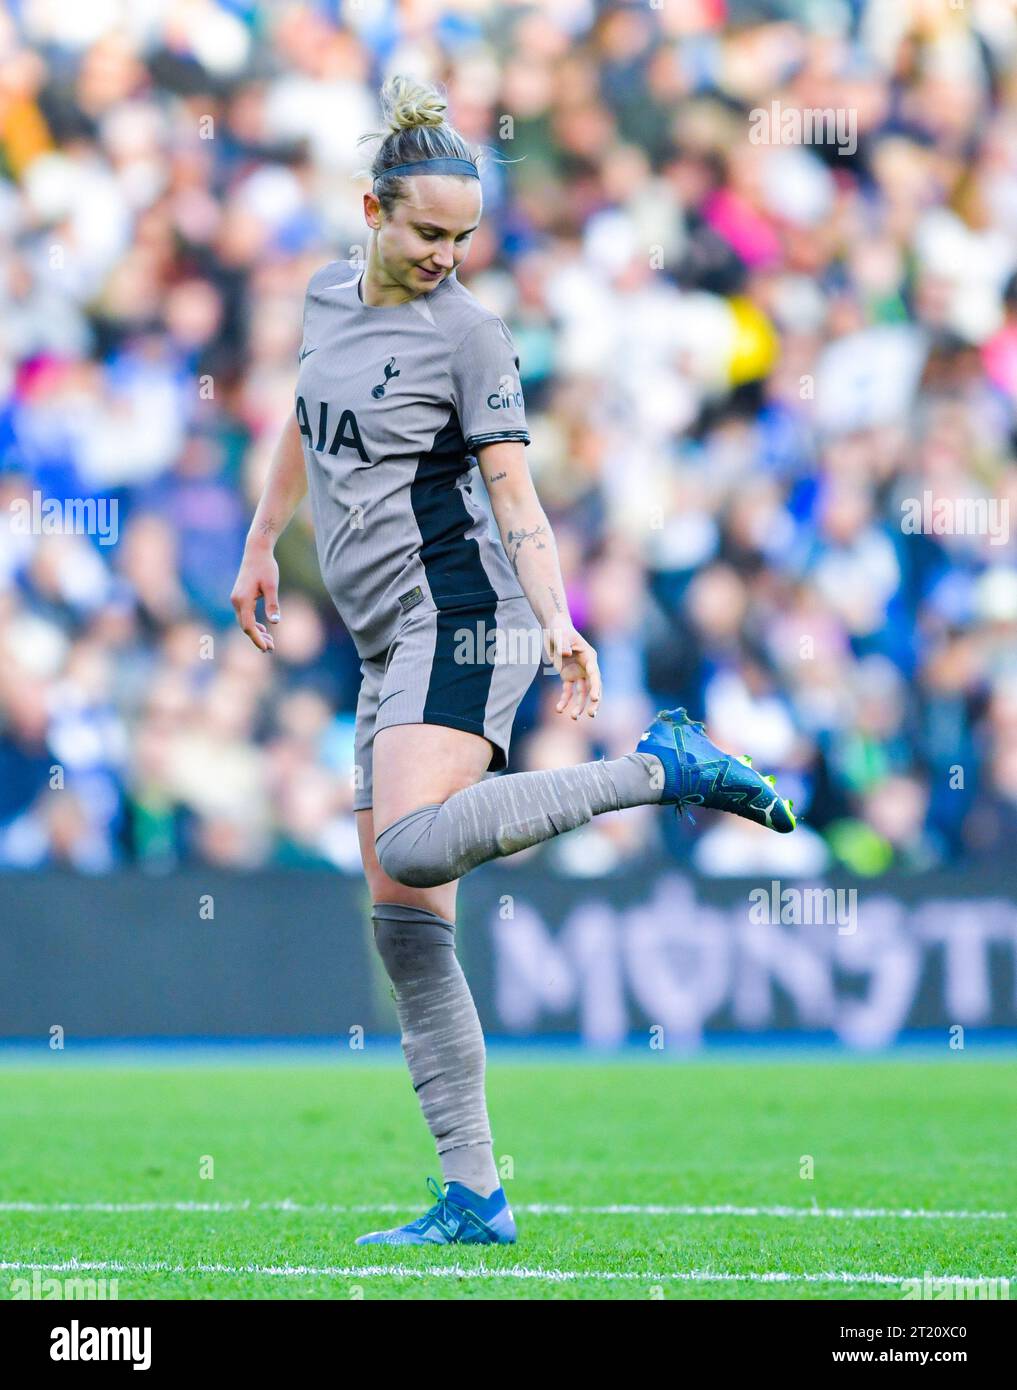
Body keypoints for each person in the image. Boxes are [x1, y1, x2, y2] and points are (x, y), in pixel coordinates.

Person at [230, 75, 795, 1247]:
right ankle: (475, 1196)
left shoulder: (473, 335)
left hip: (467, 614)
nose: (447, 255)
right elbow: (301, 418)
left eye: (464, 238)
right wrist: (256, 544)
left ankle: (660, 770)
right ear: (372, 209)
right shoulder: (327, 297)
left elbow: (514, 493)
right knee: (403, 919)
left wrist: (564, 617)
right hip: (382, 635)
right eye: (429, 232)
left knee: (410, 842)